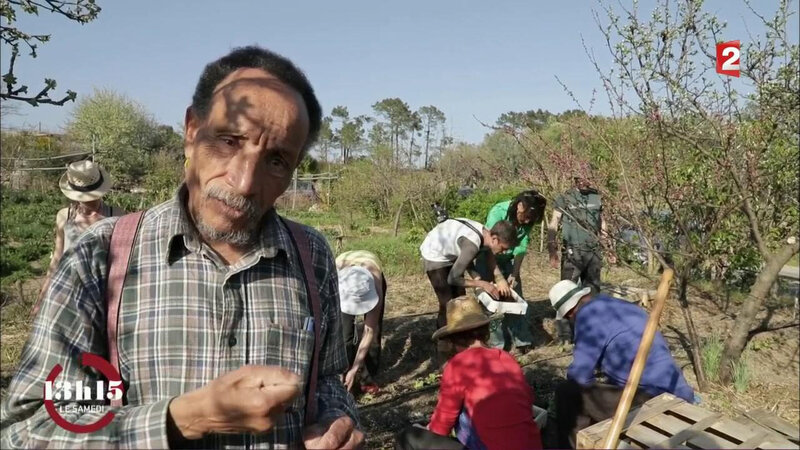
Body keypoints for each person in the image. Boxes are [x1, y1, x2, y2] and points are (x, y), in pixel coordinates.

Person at [1, 46, 362, 449]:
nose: (244, 182)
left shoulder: (311, 255)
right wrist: (183, 420)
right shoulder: (101, 257)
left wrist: (337, 418)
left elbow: (329, 379)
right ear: (191, 131)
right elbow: (30, 430)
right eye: (229, 140)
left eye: (276, 160)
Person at [547, 280, 695, 448]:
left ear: (569, 313)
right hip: (678, 394)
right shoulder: (618, 305)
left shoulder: (588, 315)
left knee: (568, 393)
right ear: (585, 294)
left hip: (653, 401)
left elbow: (579, 376)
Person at [395, 295, 543, 450]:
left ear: (453, 338)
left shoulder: (458, 365)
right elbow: (527, 398)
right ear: (486, 331)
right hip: (530, 444)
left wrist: (425, 430)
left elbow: (441, 426)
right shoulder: (507, 358)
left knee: (408, 436)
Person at [31, 160, 124, 317]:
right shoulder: (64, 216)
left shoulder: (116, 214)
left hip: (104, 293)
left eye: (94, 194)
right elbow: (57, 257)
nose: (91, 200)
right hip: (69, 289)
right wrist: (43, 297)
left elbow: (123, 260)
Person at [475, 190, 547, 352]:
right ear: (520, 206)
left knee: (517, 298)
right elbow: (489, 247)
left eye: (531, 219)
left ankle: (522, 340)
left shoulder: (529, 220)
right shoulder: (498, 212)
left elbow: (521, 246)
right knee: (492, 301)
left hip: (508, 259)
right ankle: (497, 345)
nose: (527, 220)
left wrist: (514, 273)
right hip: (488, 258)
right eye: (526, 216)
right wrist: (498, 277)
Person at [547, 174, 615, 343]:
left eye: (587, 178)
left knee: (592, 293)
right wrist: (552, 247)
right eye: (580, 178)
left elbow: (603, 224)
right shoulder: (565, 197)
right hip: (572, 253)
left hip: (593, 252)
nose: (584, 182)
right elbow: (554, 222)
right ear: (574, 179)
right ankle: (564, 335)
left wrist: (609, 248)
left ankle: (590, 331)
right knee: (566, 293)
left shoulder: (597, 197)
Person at [420, 218, 518, 329]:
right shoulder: (472, 244)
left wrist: (500, 279)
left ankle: (460, 335)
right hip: (434, 253)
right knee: (448, 303)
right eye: (503, 248)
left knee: (460, 299)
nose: (504, 252)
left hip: (452, 248)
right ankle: (443, 341)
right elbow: (453, 278)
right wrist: (482, 284)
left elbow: (486, 255)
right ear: (494, 239)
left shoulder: (487, 235)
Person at [336, 250, 386, 395]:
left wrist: (355, 368)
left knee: (374, 332)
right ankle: (343, 374)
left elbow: (368, 331)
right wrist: (340, 370)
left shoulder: (376, 285)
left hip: (369, 266)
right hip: (344, 271)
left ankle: (366, 376)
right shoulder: (335, 280)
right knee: (345, 334)